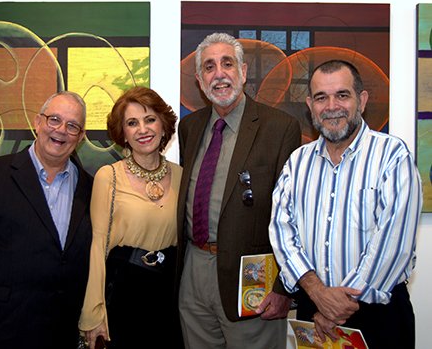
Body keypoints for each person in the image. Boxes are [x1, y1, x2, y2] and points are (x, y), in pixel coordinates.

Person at [269, 60, 422, 349]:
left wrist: (339, 305)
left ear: (361, 100)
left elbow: (393, 244)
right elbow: (280, 229)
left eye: (342, 95)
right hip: (313, 308)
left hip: (378, 313)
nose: (331, 106)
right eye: (321, 97)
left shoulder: (393, 156)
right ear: (310, 105)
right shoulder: (298, 162)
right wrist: (318, 293)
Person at [176, 32, 301, 348]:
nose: (218, 74)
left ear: (243, 72)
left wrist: (284, 288)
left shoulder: (280, 128)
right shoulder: (189, 128)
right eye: (209, 67)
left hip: (252, 280)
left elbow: (293, 215)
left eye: (227, 63)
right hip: (193, 269)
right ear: (200, 80)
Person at [0, 91, 93, 349]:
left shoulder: (90, 188)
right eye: (54, 119)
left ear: (80, 136)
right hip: (3, 327)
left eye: (72, 126)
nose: (61, 130)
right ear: (37, 122)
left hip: (64, 330)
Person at [79, 86, 184, 348]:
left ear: (163, 125)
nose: (143, 129)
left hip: (169, 294)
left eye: (150, 119)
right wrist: (94, 313)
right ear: (123, 134)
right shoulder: (108, 176)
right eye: (132, 123)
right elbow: (97, 247)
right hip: (124, 290)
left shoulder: (182, 175)